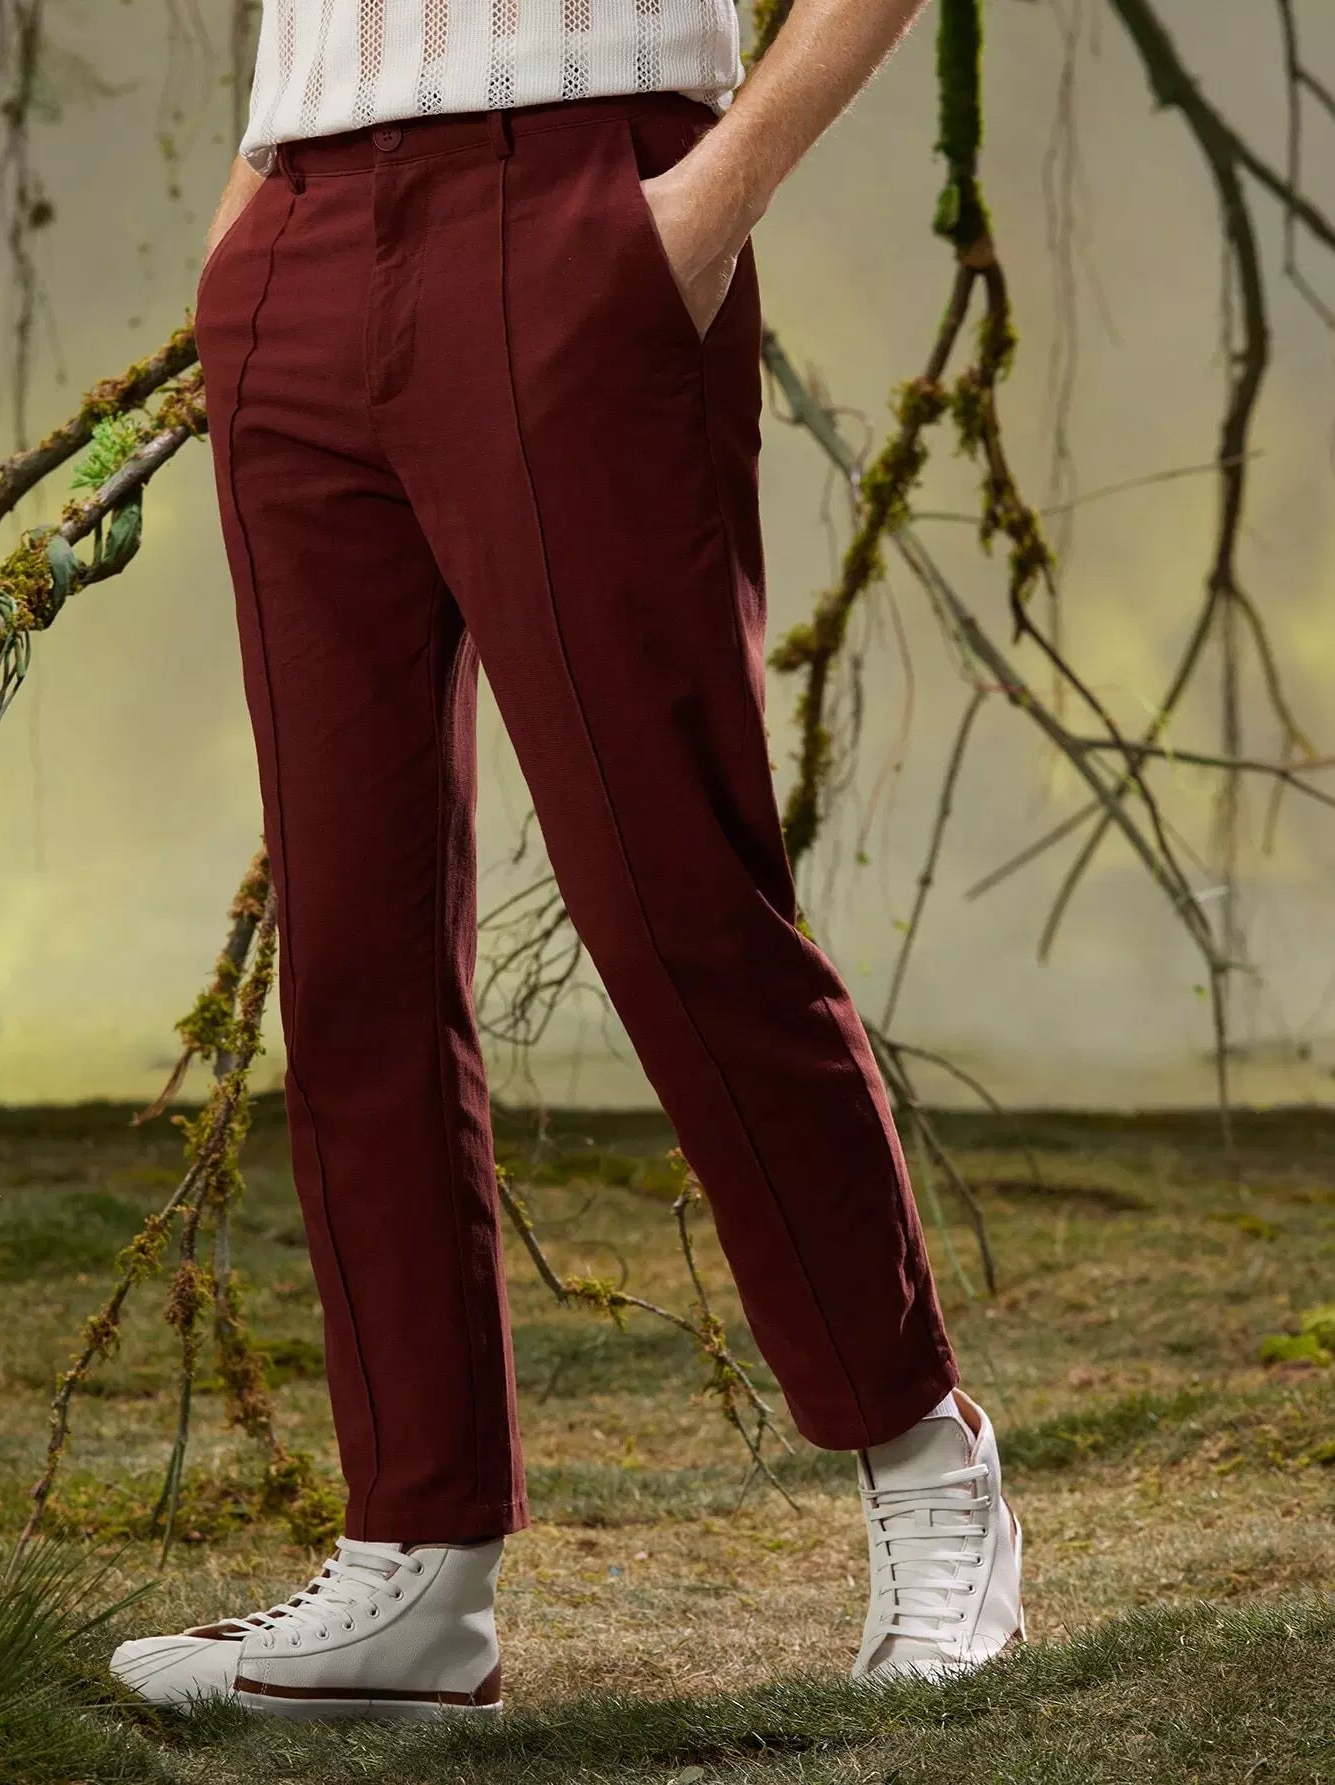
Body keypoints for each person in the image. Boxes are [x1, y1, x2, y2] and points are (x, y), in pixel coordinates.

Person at [110, 0, 1022, 1721]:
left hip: (582, 205)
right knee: (356, 951)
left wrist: (704, 200)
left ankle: (928, 1460)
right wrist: (249, 227)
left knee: (677, 898)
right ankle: (415, 1557)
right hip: (297, 241)